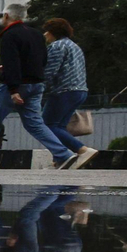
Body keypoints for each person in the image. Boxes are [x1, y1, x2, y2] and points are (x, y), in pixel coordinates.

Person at [0, 3, 72, 169]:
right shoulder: (36, 34)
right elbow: (40, 61)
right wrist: (8, 67)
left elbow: (13, 61)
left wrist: (13, 89)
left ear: (6, 16)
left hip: (16, 86)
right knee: (35, 124)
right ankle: (64, 154)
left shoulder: (9, 35)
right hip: (36, 85)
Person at [41, 18, 98, 170]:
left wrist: (37, 89)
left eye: (46, 31)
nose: (45, 34)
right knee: (59, 126)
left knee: (47, 125)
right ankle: (61, 160)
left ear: (53, 32)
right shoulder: (75, 46)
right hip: (80, 91)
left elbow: (49, 71)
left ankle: (82, 150)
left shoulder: (57, 46)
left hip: (63, 91)